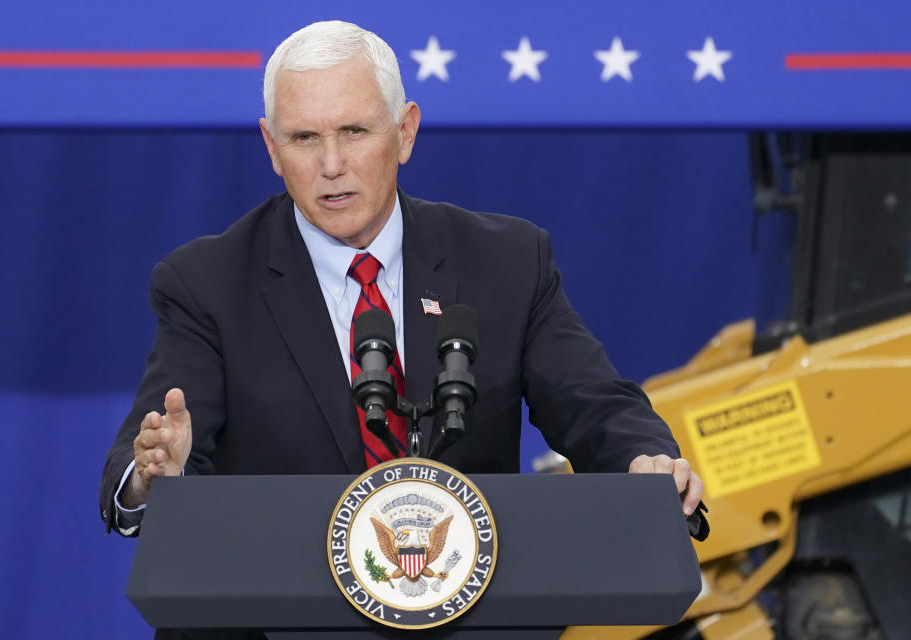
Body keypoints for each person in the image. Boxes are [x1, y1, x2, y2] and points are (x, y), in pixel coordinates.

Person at [100, 20, 702, 540]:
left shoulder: (508, 262)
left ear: (405, 131)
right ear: (272, 147)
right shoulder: (206, 283)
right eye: (304, 138)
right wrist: (160, 478)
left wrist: (643, 462)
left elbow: (594, 404)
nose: (331, 164)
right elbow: (148, 458)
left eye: (355, 132)